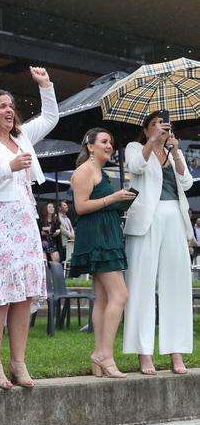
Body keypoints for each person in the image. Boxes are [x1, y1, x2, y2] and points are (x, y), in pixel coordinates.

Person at [0, 66, 57, 389]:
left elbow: (49, 119)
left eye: (11, 106)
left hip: (23, 219)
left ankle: (18, 362)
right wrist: (9, 166)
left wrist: (45, 86)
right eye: (2, 106)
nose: (9, 110)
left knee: (23, 293)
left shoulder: (22, 137)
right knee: (0, 293)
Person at [122, 110, 194, 375]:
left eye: (165, 126)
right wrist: (152, 141)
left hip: (174, 215)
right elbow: (135, 167)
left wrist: (175, 152)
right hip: (146, 221)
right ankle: (144, 352)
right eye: (155, 125)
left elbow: (186, 183)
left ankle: (176, 352)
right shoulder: (136, 147)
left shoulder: (174, 151)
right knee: (141, 284)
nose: (161, 130)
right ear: (146, 129)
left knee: (177, 283)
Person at [69, 128, 135, 378]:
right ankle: (105, 354)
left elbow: (99, 203)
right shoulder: (85, 170)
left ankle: (99, 355)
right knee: (120, 295)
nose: (110, 146)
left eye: (111, 142)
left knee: (105, 298)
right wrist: (113, 198)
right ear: (90, 146)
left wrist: (120, 201)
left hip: (106, 235)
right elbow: (81, 206)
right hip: (97, 238)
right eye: (104, 141)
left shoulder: (100, 171)